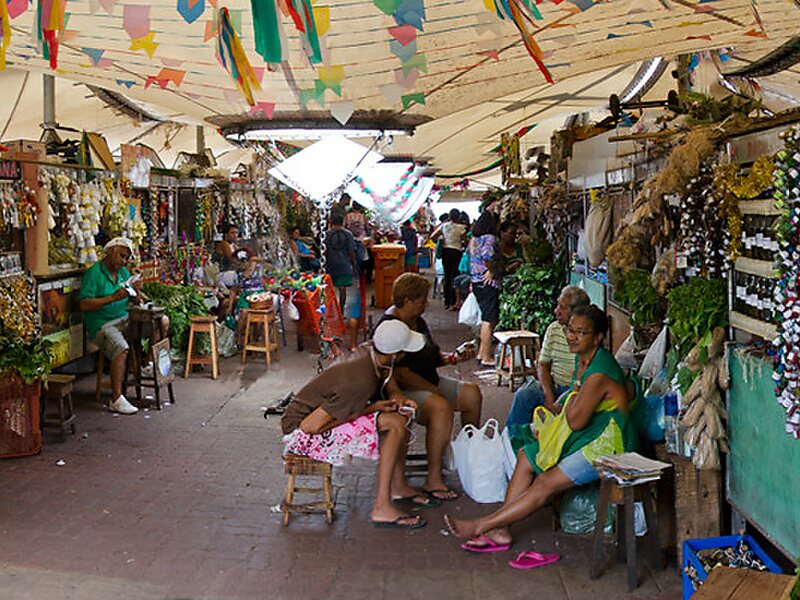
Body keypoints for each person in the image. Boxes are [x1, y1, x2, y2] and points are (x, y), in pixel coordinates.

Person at [444, 305, 638, 553]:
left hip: (610, 444)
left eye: (581, 332)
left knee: (545, 483)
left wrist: (573, 392)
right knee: (527, 455)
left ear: (598, 337)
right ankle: (501, 529)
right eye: (570, 330)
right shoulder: (584, 357)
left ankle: (482, 525)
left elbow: (576, 420)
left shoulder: (599, 372)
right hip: (590, 434)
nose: (572, 337)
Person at [281, 319, 433, 528]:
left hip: (315, 418)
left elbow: (384, 378)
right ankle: (382, 507)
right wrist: (373, 409)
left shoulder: (370, 351)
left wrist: (396, 397)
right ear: (395, 355)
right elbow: (311, 427)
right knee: (396, 424)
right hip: (300, 432)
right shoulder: (360, 381)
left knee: (400, 417)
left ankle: (397, 486)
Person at [374, 273, 483, 501]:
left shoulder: (418, 321)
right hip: (403, 390)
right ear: (407, 302)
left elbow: (429, 355)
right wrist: (434, 391)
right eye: (422, 300)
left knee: (472, 394)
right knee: (440, 406)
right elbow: (401, 374)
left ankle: (466, 456)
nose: (426, 303)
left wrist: (453, 358)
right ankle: (434, 476)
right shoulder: (390, 327)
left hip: (428, 381)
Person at [79, 237, 169, 415]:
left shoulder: (123, 273)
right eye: (122, 256)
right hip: (102, 324)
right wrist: (111, 298)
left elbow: (133, 298)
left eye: (127, 258)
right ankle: (116, 398)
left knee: (162, 321)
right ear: (110, 251)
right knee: (121, 348)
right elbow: (84, 304)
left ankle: (145, 364)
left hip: (125, 318)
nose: (124, 261)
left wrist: (136, 293)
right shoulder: (94, 273)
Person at [505, 285, 590, 426]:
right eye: (558, 305)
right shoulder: (554, 329)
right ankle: (511, 439)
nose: (556, 311)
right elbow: (543, 365)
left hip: (577, 391)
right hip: (553, 385)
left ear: (576, 311)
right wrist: (548, 393)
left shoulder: (587, 335)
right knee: (524, 396)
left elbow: (584, 378)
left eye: (563, 307)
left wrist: (564, 398)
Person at [468, 201, 500, 367]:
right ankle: (487, 357)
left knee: (486, 318)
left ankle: (481, 353)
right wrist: (492, 270)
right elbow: (488, 257)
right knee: (489, 319)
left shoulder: (474, 239)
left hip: (476, 281)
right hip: (487, 282)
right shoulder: (489, 238)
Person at [431, 208, 467, 310]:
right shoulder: (461, 228)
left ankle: (447, 302)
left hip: (446, 252)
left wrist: (442, 241)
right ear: (458, 217)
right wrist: (461, 243)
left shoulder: (443, 226)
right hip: (456, 252)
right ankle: (453, 301)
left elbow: (432, 237)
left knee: (447, 276)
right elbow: (465, 241)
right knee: (455, 276)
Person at [325, 208, 358, 311]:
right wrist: (353, 264)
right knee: (342, 288)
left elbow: (324, 250)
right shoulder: (348, 234)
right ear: (342, 221)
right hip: (344, 264)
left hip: (330, 264)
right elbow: (351, 251)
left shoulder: (327, 234)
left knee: (329, 289)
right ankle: (341, 310)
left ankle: (329, 309)